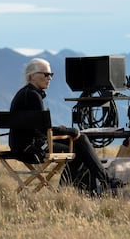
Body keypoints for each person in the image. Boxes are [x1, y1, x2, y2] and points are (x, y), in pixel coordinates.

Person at [9, 58, 118, 195]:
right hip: (32, 148)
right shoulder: (32, 96)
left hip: (23, 145)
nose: (49, 78)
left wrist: (67, 131)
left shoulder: (24, 94)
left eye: (51, 75)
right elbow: (44, 130)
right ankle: (96, 183)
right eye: (45, 74)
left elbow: (39, 128)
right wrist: (71, 131)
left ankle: (99, 182)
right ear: (32, 76)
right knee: (79, 148)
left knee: (81, 140)